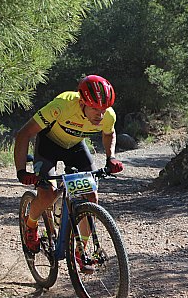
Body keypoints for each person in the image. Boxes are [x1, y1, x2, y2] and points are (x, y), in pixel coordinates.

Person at [14, 75, 124, 272]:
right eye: (95, 109)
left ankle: (81, 250)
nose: (100, 115)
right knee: (48, 194)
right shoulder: (62, 105)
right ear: (82, 102)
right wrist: (22, 171)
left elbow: (109, 133)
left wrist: (111, 157)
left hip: (75, 147)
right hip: (49, 145)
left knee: (91, 196)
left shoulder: (108, 115)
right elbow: (24, 133)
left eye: (103, 109)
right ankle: (30, 225)